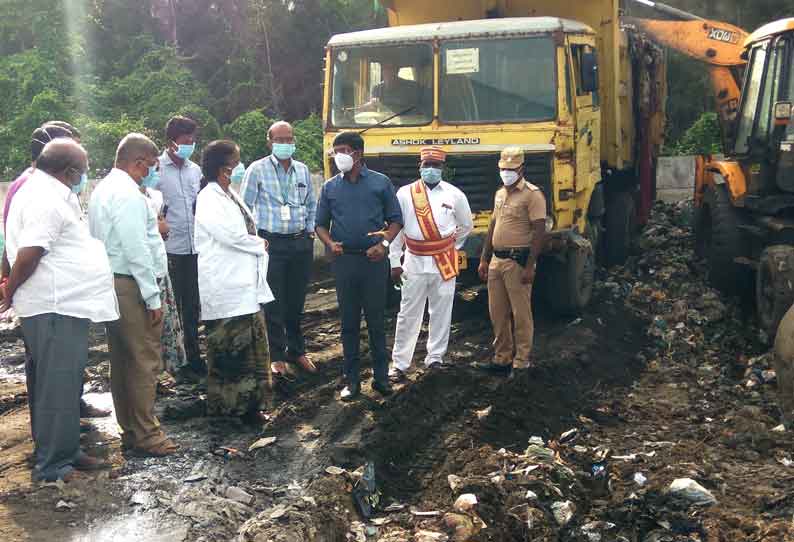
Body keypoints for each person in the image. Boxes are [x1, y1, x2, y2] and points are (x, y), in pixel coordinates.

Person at [2, 139, 118, 481]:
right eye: (82, 171)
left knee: (62, 383)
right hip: (53, 305)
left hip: (63, 303)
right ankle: (53, 466)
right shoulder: (45, 198)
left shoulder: (48, 191)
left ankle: (64, 451)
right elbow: (30, 252)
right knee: (58, 383)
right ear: (69, 171)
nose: (84, 176)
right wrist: (10, 289)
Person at [88, 133, 179, 457]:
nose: (151, 174)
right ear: (138, 162)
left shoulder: (103, 190)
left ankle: (130, 429)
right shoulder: (126, 194)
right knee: (143, 361)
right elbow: (136, 248)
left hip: (114, 282)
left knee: (124, 359)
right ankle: (147, 434)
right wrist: (153, 297)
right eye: (150, 167)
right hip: (131, 283)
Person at [315, 131, 403, 400]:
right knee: (348, 323)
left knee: (376, 320)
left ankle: (380, 378)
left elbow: (396, 220)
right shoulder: (330, 187)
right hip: (344, 262)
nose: (337, 155)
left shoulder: (380, 183)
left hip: (373, 261)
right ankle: (351, 381)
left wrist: (384, 245)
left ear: (358, 153)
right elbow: (319, 225)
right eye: (335, 150)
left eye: (342, 150)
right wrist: (330, 244)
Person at [195, 140, 274, 420]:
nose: (240, 166)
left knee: (251, 351)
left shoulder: (229, 194)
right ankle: (231, 412)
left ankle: (251, 408)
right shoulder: (209, 197)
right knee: (232, 353)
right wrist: (258, 243)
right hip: (225, 287)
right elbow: (229, 235)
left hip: (243, 287)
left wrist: (255, 243)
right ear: (224, 168)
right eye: (237, 161)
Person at [388, 146, 473, 382]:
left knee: (442, 311)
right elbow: (396, 230)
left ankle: (435, 358)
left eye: (436, 166)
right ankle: (400, 364)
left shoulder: (455, 195)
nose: (431, 170)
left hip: (443, 260)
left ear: (442, 168)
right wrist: (395, 260)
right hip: (413, 259)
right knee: (407, 313)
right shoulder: (405, 193)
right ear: (420, 167)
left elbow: (466, 226)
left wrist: (452, 247)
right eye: (427, 165)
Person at [241, 121, 317, 377]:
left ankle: (297, 350)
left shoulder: (303, 170)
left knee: (296, 300)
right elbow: (245, 209)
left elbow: (311, 205)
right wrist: (255, 240)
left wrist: (308, 233)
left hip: (299, 243)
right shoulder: (257, 170)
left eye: (289, 139)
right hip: (271, 243)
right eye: (279, 140)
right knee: (273, 301)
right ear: (269, 142)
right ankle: (276, 355)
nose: (285, 144)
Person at [477, 147, 547, 376]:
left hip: (518, 262)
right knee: (497, 313)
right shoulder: (499, 194)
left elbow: (539, 233)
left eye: (511, 169)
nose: (506, 173)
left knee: (521, 313)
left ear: (521, 169)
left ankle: (522, 360)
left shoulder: (532, 195)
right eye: (503, 169)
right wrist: (484, 258)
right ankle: (502, 357)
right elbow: (492, 227)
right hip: (497, 260)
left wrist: (530, 266)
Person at [155, 116, 203, 377]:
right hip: (170, 249)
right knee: (173, 307)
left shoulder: (195, 171)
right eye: (186, 141)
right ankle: (177, 362)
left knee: (193, 305)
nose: (190, 145)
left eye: (193, 141)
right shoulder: (157, 170)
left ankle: (194, 354)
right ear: (171, 142)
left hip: (195, 248)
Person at [140, 162, 188, 377]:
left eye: (158, 169)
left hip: (160, 265)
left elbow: (161, 223)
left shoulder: (154, 196)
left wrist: (162, 228)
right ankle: (151, 377)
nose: (155, 173)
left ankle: (161, 373)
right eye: (153, 168)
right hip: (144, 270)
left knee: (165, 322)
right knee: (148, 326)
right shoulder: (130, 198)